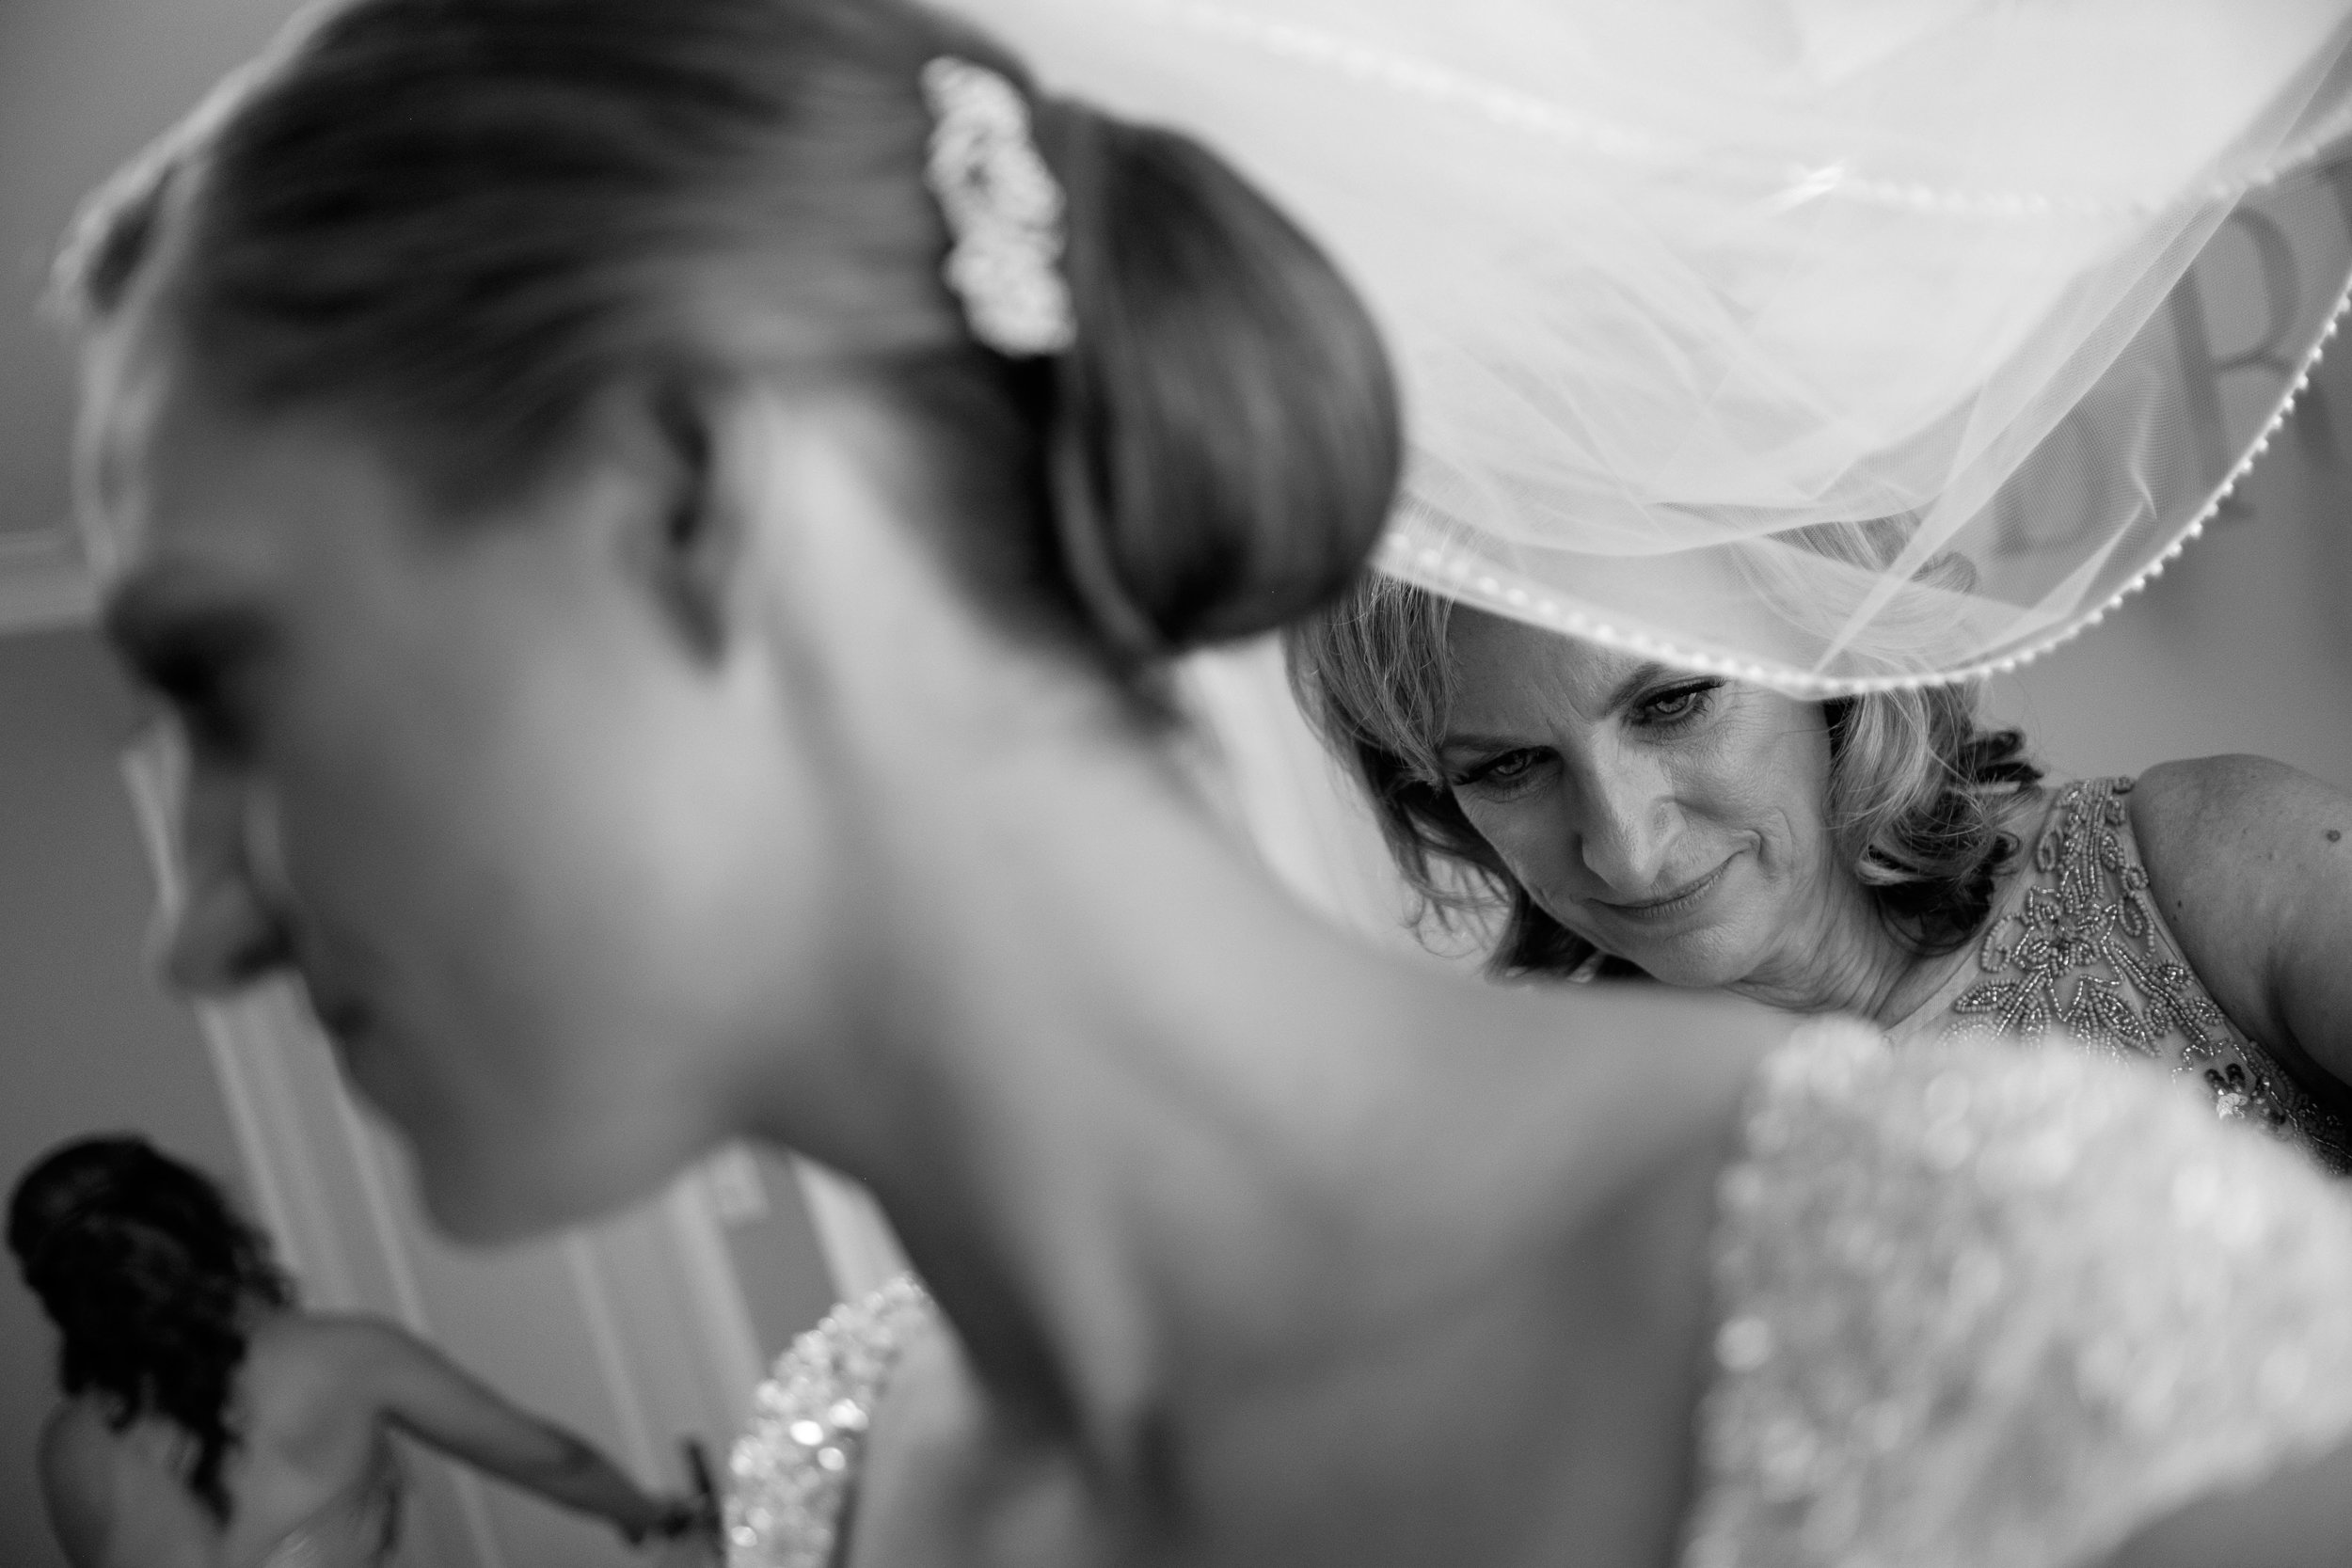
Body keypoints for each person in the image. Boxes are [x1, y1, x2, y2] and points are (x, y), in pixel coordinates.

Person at [54, 1, 2352, 1565]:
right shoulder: (834, 1488)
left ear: (696, 504)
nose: (204, 914)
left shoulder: (2004, 1304)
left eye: (237, 681)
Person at [1287, 574, 2352, 1169]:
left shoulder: (2192, 862)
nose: (1623, 844)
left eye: (1671, 703)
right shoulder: (1568, 1175)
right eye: (1510, 767)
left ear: (1821, 653)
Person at [8, 1135, 703, 1567]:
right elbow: (547, 1457)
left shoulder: (67, 1445)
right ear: (195, 1221)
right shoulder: (336, 1356)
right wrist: (652, 1515)